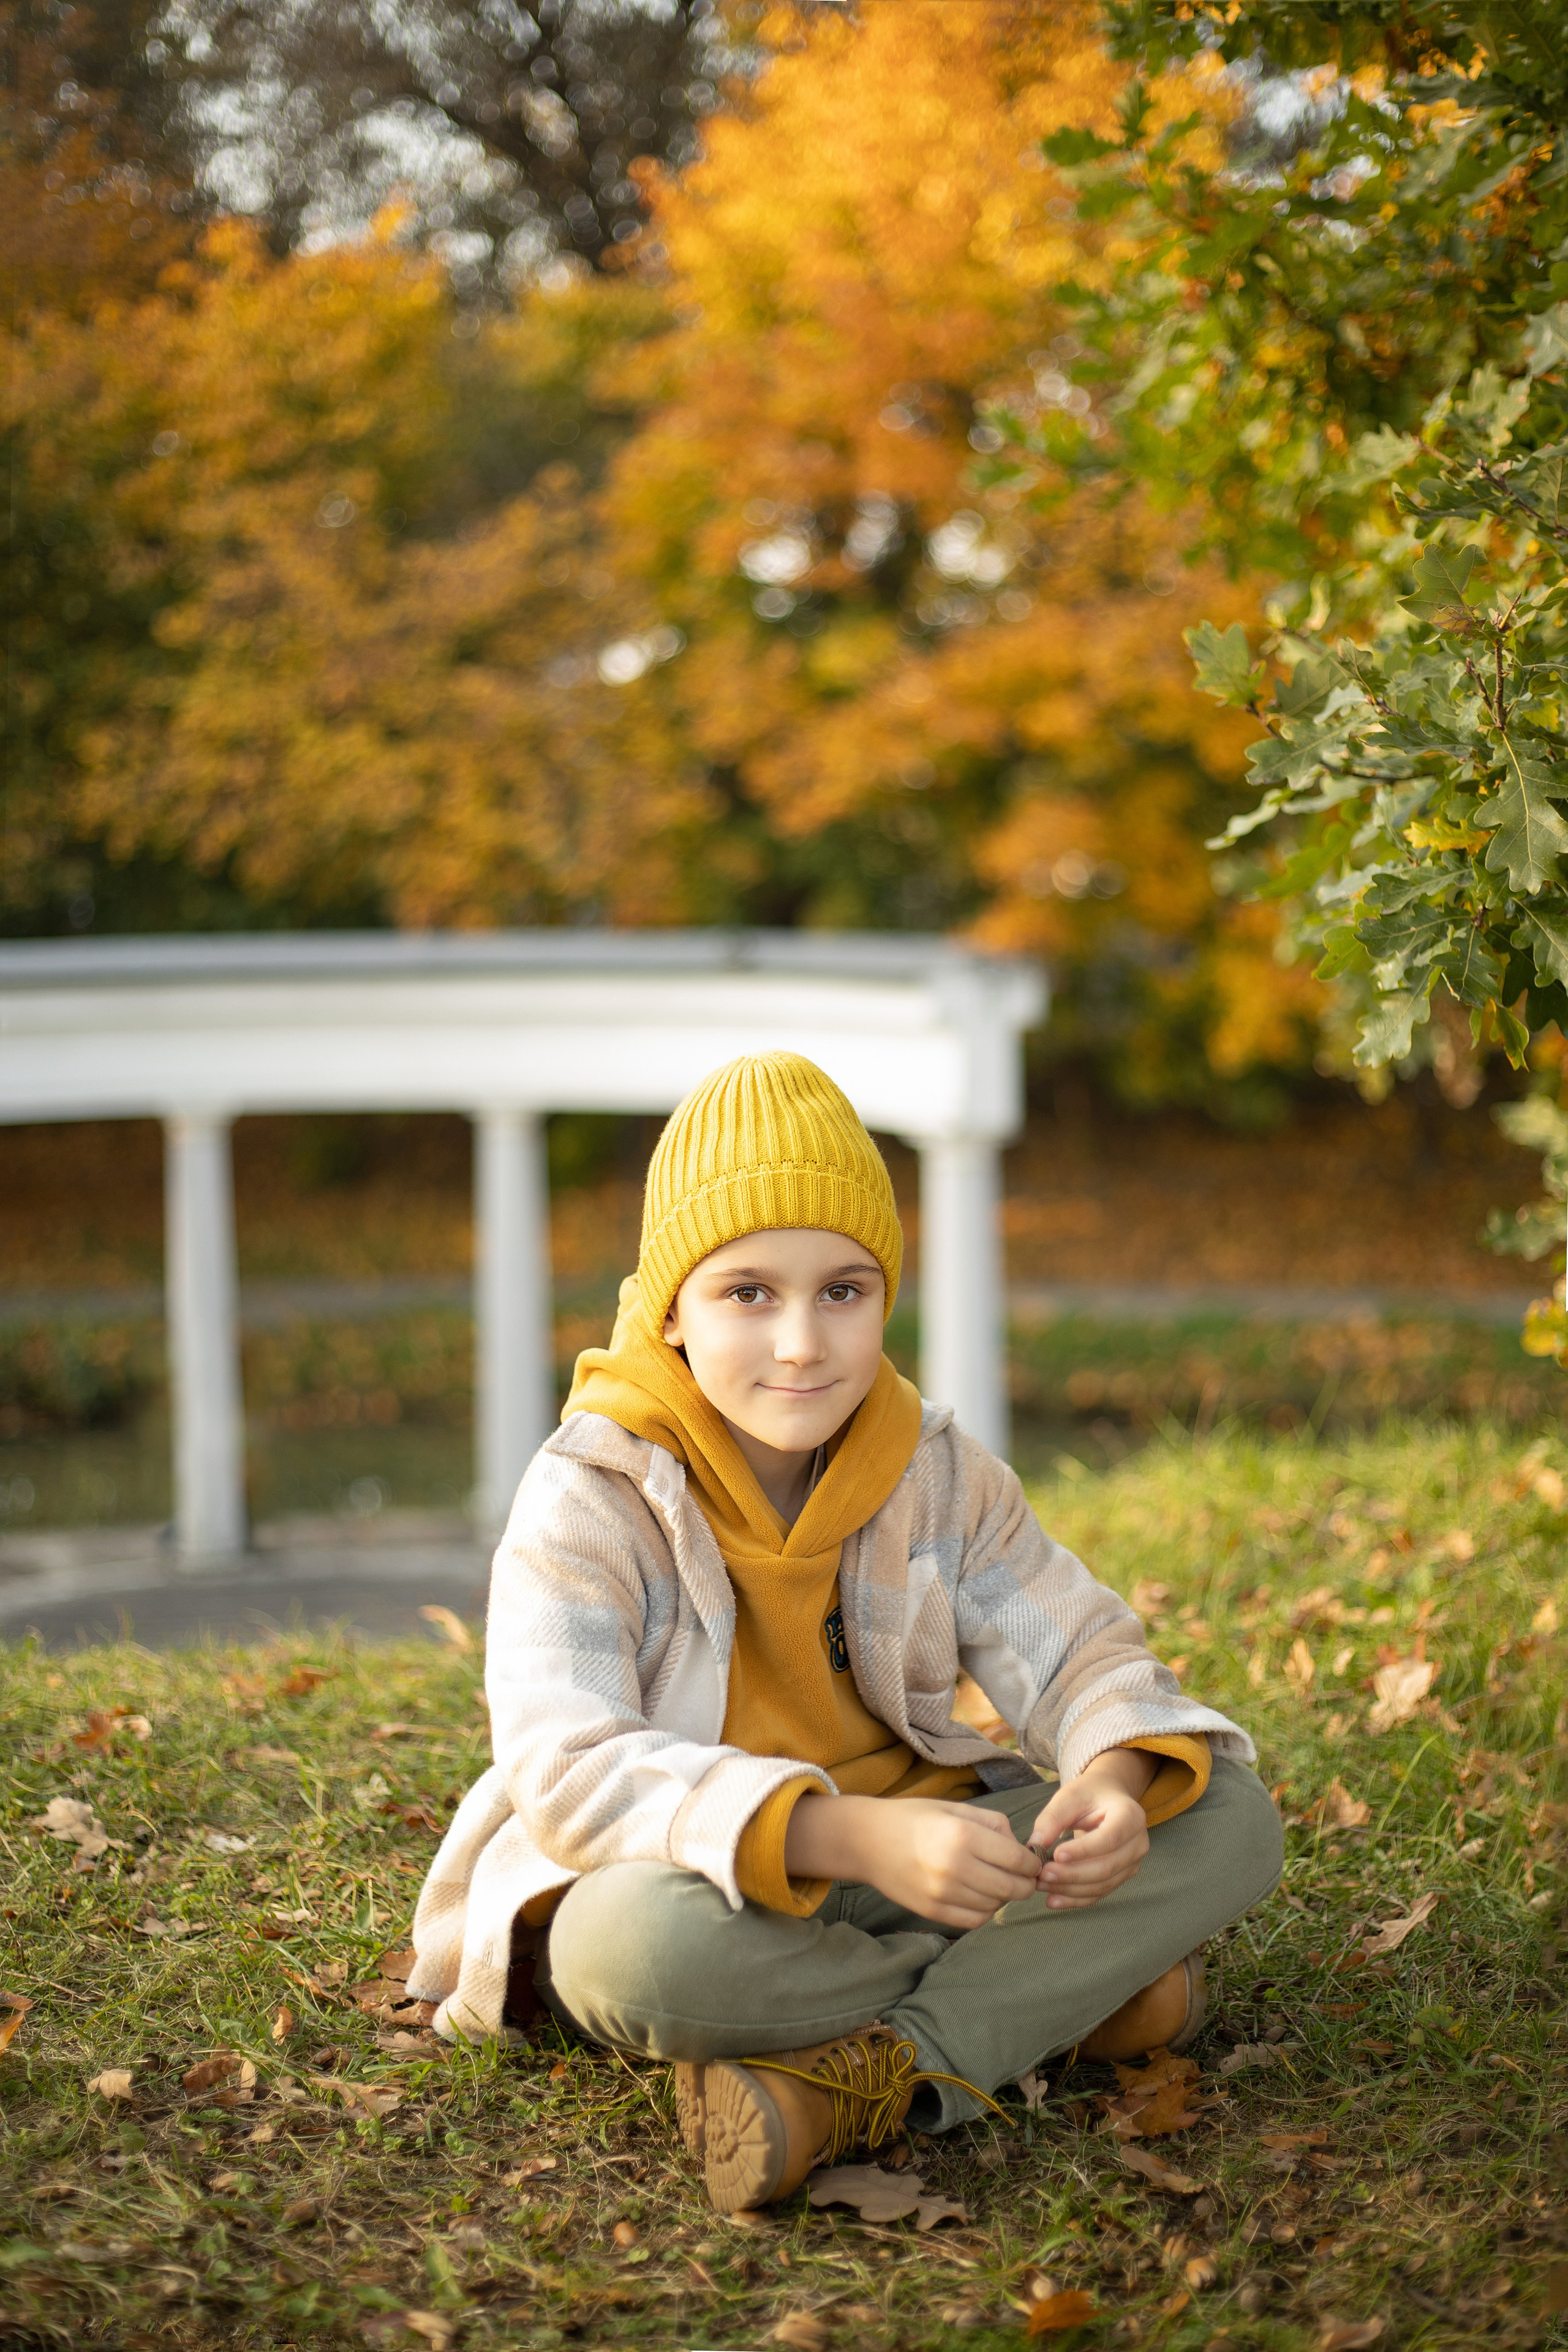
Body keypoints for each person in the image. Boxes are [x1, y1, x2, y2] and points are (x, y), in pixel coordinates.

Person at [409, 1052, 1281, 2213]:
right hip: (701, 1885)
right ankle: (1051, 2004)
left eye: (844, 1291)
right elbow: (568, 1768)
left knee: (1223, 1812)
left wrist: (1115, 1781)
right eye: (748, 1293)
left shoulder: (933, 1472)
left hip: (926, 1858)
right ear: (670, 1306)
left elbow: (1082, 1652)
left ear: (884, 1298)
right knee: (621, 1954)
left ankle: (865, 2074)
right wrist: (850, 1838)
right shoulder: (590, 1493)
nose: (802, 1344)